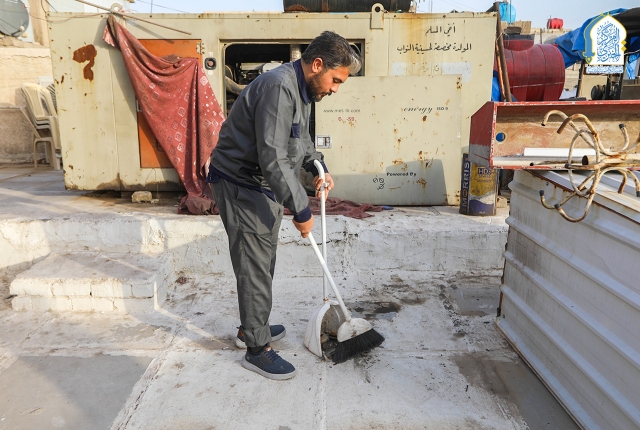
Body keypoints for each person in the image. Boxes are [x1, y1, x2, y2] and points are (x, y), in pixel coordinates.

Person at [207, 31, 362, 380]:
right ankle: (256, 348)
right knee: (254, 264)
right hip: (241, 183)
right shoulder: (279, 87)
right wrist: (301, 209)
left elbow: (299, 138)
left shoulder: (303, 89)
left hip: (261, 184)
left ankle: (252, 325)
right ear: (317, 64)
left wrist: (317, 165)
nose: (336, 89)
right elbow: (274, 158)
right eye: (336, 80)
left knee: (263, 260)